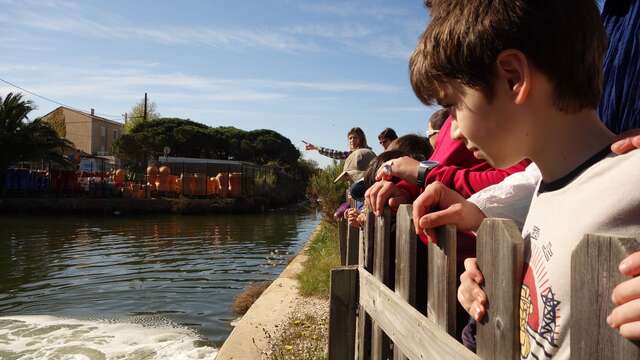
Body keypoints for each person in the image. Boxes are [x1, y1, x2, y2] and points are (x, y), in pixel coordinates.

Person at [410, 0, 640, 358]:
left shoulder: (631, 177)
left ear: (513, 77)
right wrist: (500, 282)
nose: (452, 132)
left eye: (455, 103)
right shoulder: (547, 187)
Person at [304, 127, 370, 160]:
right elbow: (336, 154)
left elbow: (337, 154)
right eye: (350, 138)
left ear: (361, 139)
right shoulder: (352, 154)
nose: (352, 140)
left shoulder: (364, 153)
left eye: (355, 137)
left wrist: (316, 147)